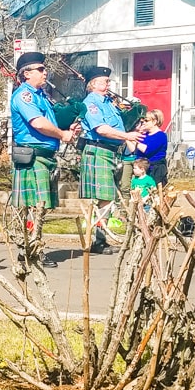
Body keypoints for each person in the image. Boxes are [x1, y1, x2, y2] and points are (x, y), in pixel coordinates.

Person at [10, 51, 78, 267]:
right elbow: (38, 123)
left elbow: (51, 121)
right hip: (33, 157)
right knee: (32, 206)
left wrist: (67, 128)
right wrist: (62, 134)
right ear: (26, 73)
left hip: (45, 157)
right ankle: (28, 249)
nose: (45, 71)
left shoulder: (41, 96)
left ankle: (32, 247)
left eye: (43, 68)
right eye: (40, 69)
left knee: (40, 207)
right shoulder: (24, 95)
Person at [79, 66, 144, 254]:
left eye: (108, 81)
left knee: (108, 199)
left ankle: (100, 239)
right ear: (93, 84)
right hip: (98, 150)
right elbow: (101, 129)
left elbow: (118, 125)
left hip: (111, 152)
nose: (108, 84)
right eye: (104, 81)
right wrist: (127, 135)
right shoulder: (91, 102)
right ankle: (97, 240)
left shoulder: (109, 102)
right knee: (105, 198)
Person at [130, 109, 168, 187]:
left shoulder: (161, 136)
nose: (143, 122)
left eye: (146, 120)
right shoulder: (144, 135)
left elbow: (147, 150)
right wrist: (127, 137)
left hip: (155, 170)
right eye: (143, 120)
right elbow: (134, 150)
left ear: (154, 122)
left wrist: (133, 140)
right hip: (142, 169)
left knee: (155, 193)